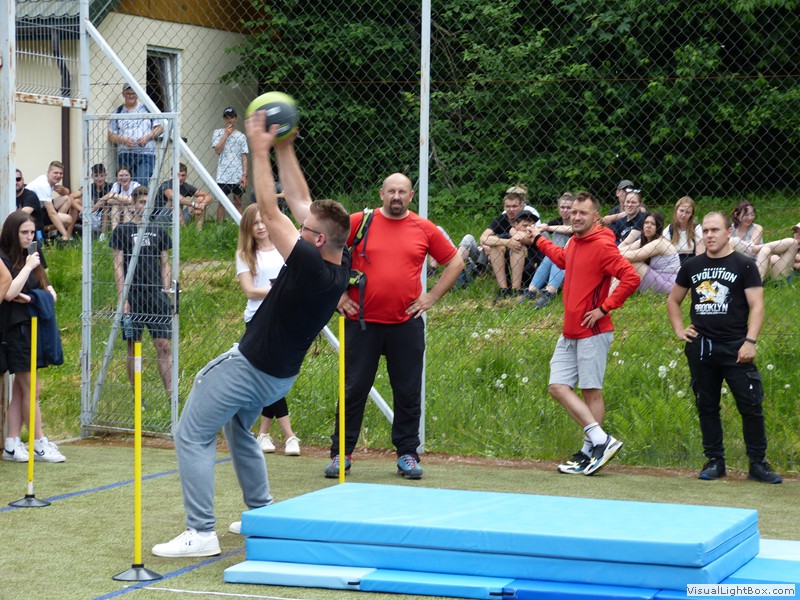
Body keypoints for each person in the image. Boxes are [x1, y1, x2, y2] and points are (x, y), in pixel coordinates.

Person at [151, 113, 350, 558]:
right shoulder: (340, 260)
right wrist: (285, 146)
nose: (300, 228)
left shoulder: (308, 264)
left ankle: (200, 532)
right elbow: (300, 201)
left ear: (317, 241)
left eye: (306, 231)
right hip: (278, 376)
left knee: (191, 433)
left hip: (251, 366)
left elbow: (272, 210)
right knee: (239, 428)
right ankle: (262, 511)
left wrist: (259, 151)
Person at [314, 173, 463, 481]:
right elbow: (322, 250)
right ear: (381, 193)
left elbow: (456, 262)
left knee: (408, 391)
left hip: (406, 324)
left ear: (411, 196)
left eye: (402, 192)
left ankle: (408, 454)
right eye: (391, 191)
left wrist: (432, 297)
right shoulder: (359, 222)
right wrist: (338, 295)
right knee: (352, 389)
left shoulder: (424, 228)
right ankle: (341, 454)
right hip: (361, 323)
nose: (396, 196)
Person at [527, 192, 640, 476]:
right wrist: (538, 238)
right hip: (570, 331)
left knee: (591, 391)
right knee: (557, 386)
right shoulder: (576, 241)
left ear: (596, 217)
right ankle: (600, 440)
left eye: (583, 213)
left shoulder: (602, 245)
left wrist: (604, 308)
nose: (576, 217)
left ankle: (590, 452)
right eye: (574, 212)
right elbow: (563, 259)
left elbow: (631, 277)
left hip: (593, 331)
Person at [667, 211, 782, 484]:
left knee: (750, 405)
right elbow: (673, 301)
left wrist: (750, 341)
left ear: (728, 232)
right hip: (702, 347)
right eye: (705, 231)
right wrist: (679, 330)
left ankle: (758, 463)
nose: (709, 235)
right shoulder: (692, 266)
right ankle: (715, 461)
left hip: (736, 347)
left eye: (715, 230)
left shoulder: (744, 265)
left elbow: (757, 306)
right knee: (707, 406)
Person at [235, 204, 300, 456]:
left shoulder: (284, 248)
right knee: (269, 375)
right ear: (248, 228)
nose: (261, 227)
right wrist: (279, 292)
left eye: (264, 221)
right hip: (258, 320)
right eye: (255, 223)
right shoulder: (245, 254)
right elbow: (250, 291)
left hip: (284, 318)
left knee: (272, 376)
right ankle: (290, 435)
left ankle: (263, 433)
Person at [0, 212, 65, 463]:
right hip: (16, 329)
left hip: (35, 325)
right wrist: (27, 268)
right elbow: (9, 293)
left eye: (31, 232)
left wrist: (34, 297)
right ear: (12, 233)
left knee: (21, 388)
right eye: (24, 233)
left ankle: (12, 442)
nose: (29, 237)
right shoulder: (5, 258)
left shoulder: (35, 253)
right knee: (32, 387)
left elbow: (48, 290)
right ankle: (38, 442)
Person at [109, 186, 173, 392]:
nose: (145, 207)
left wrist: (165, 290)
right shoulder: (122, 231)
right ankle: (137, 395)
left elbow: (165, 263)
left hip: (156, 295)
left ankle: (171, 395)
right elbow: (118, 265)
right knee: (134, 347)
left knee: (163, 345)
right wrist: (123, 297)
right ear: (134, 204)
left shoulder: (159, 231)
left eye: (148, 203)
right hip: (133, 295)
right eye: (141, 202)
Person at [479, 184, 540, 300]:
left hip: (528, 258)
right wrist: (506, 242)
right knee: (495, 247)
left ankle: (516, 290)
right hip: (506, 254)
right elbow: (484, 238)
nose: (511, 210)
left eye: (514, 206)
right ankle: (503, 289)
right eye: (508, 206)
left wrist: (513, 235)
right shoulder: (501, 219)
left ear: (522, 206)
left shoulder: (527, 217)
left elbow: (529, 239)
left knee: (517, 246)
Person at [520, 192, 574, 308]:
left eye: (568, 208)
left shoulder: (577, 222)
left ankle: (550, 292)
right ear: (558, 208)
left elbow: (570, 229)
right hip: (559, 258)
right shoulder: (557, 221)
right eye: (562, 207)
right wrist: (535, 229)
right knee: (551, 255)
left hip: (574, 259)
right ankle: (532, 290)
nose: (565, 210)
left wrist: (548, 227)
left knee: (558, 236)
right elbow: (543, 228)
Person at [108, 84, 163, 186]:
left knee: (140, 184)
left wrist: (147, 137)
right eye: (128, 93)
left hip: (146, 153)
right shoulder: (118, 112)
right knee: (125, 185)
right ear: (123, 94)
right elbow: (111, 135)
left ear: (137, 94)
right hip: (125, 154)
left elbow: (160, 128)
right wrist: (124, 141)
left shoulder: (147, 108)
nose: (131, 96)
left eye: (133, 93)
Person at [618, 211, 680, 294]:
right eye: (646, 222)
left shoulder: (659, 243)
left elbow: (633, 256)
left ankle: (613, 292)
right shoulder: (644, 241)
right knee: (620, 260)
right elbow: (622, 250)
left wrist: (609, 255)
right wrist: (607, 251)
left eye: (653, 224)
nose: (648, 226)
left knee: (633, 262)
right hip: (656, 277)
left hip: (668, 284)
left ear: (658, 227)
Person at [212, 106, 249, 221]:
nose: (229, 120)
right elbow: (217, 150)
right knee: (221, 201)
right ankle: (219, 227)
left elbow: (244, 156)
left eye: (232, 117)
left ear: (235, 119)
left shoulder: (241, 136)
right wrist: (225, 135)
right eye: (227, 117)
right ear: (224, 119)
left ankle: (240, 226)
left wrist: (244, 175)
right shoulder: (217, 133)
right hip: (223, 175)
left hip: (237, 174)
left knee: (238, 201)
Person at [24, 161, 75, 241]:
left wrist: (64, 190)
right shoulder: (44, 185)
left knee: (67, 199)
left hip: (41, 209)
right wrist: (65, 234)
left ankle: (54, 232)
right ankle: (46, 230)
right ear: (48, 173)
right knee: (68, 219)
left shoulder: (48, 179)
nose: (58, 176)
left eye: (61, 173)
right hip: (33, 214)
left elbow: (67, 193)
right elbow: (51, 213)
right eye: (55, 173)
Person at [153, 163, 211, 228]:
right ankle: (183, 229)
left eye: (183, 175)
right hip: (161, 218)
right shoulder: (166, 184)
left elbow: (208, 196)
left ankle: (199, 230)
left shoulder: (186, 186)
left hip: (178, 217)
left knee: (200, 199)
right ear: (172, 175)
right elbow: (173, 196)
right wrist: (193, 204)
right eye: (178, 175)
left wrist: (202, 205)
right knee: (174, 201)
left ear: (186, 175)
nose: (180, 178)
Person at [68, 163, 114, 237]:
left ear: (105, 175)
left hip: (105, 216)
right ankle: (68, 236)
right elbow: (71, 196)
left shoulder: (111, 187)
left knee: (106, 205)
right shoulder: (89, 187)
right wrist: (82, 209)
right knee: (76, 201)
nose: (99, 179)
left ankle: (103, 235)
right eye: (96, 176)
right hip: (90, 213)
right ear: (92, 176)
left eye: (101, 175)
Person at [664, 196, 704, 264]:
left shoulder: (696, 228)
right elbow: (665, 253)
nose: (683, 215)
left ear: (691, 214)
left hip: (692, 263)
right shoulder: (669, 229)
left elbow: (700, 255)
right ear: (676, 210)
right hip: (673, 263)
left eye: (687, 212)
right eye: (681, 211)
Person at [15, 169, 46, 238]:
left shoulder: (30, 196)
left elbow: (21, 216)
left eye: (18, 179)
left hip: (34, 237)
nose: (15, 182)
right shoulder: (8, 197)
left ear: (23, 180)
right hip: (18, 234)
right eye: (12, 180)